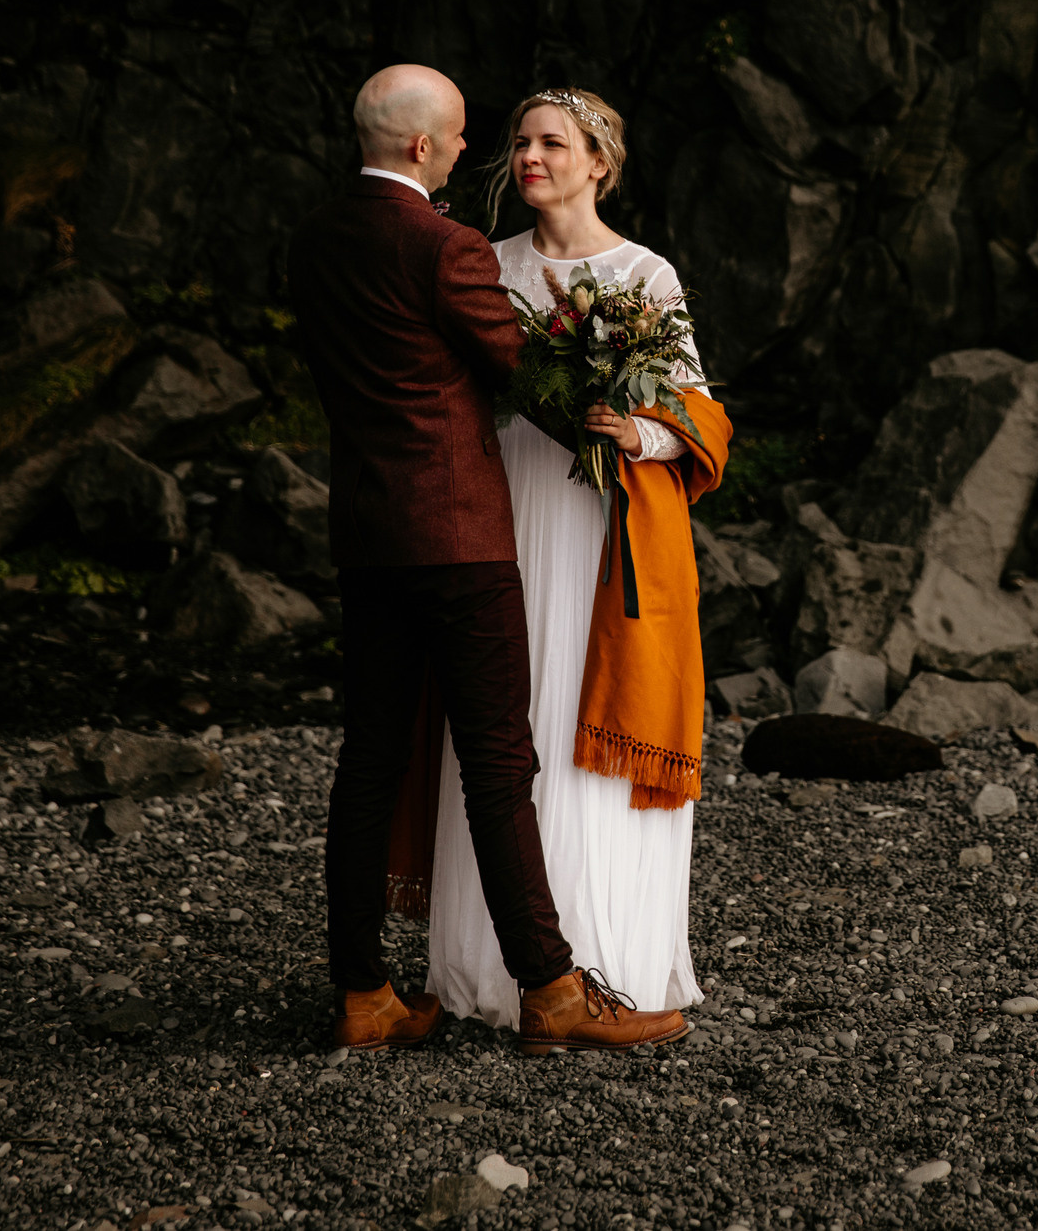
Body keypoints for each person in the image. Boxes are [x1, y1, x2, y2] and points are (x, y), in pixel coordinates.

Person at [288, 63, 691, 1056]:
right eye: (473, 135)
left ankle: (363, 993)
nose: (490, 153)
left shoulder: (315, 237)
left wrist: (651, 429)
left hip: (369, 533)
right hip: (466, 533)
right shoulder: (451, 248)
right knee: (501, 764)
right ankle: (553, 992)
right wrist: (598, 416)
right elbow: (518, 369)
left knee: (370, 760)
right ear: (423, 146)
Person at [411, 84, 729, 1028]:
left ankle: (604, 953)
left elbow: (697, 406)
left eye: (552, 142)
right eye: (519, 143)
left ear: (600, 162)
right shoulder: (484, 264)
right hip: (508, 500)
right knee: (511, 718)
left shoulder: (647, 273)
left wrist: (639, 432)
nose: (530, 157)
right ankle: (501, 965)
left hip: (602, 517)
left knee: (587, 712)